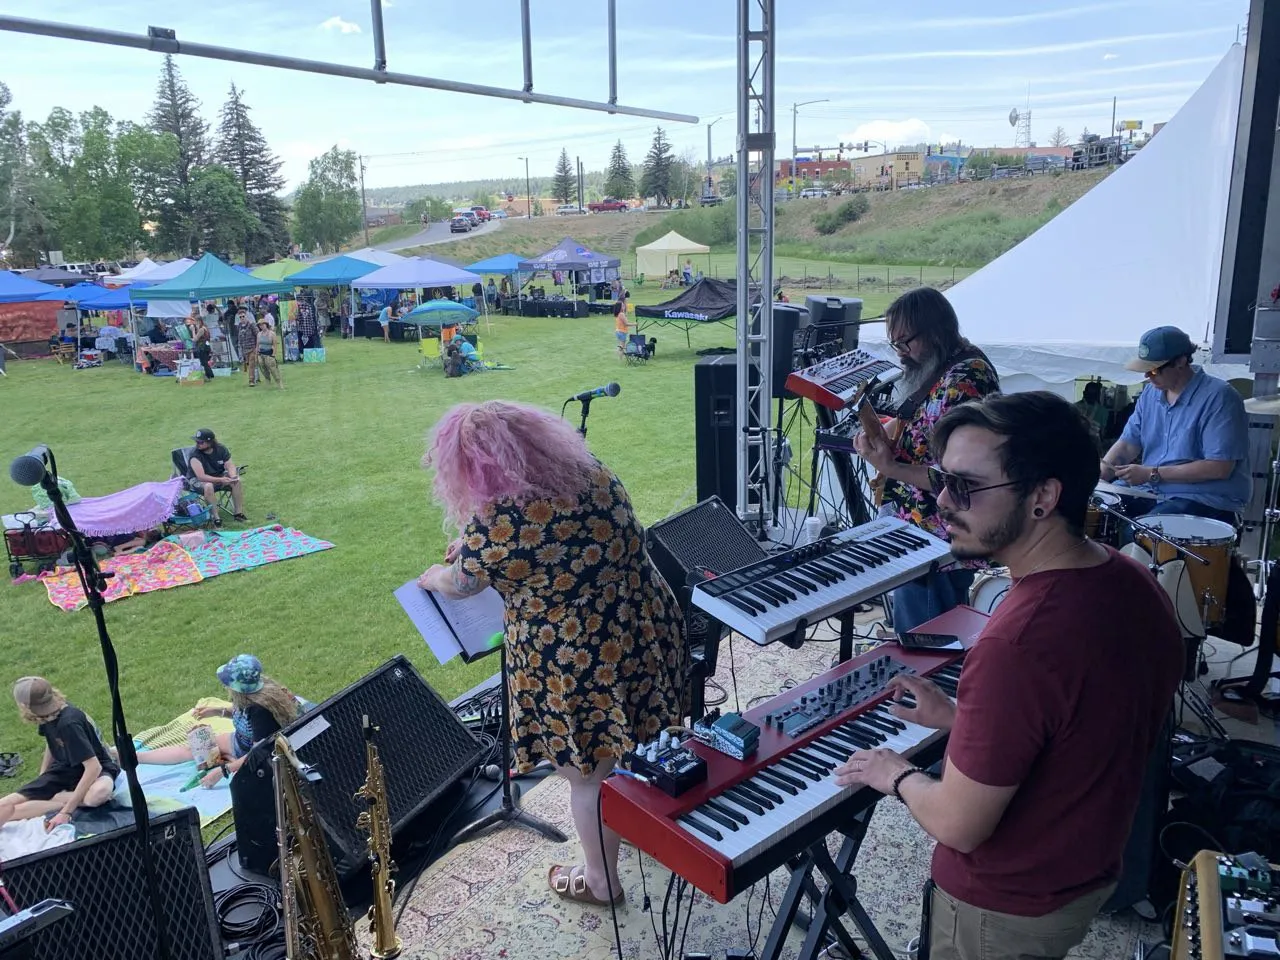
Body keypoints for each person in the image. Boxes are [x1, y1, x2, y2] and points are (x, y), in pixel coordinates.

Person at [835, 392, 1182, 960]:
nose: (942, 501)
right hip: (1083, 871)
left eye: (966, 486)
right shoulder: (1133, 582)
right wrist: (962, 718)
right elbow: (1079, 727)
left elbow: (958, 825)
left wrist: (892, 772)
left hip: (1003, 907)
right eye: (943, 480)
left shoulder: (1016, 644)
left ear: (1043, 496)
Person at [419, 402, 687, 907]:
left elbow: (462, 581)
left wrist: (436, 575)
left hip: (575, 660)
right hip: (644, 628)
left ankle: (600, 880)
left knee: (586, 775)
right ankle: (646, 825)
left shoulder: (496, 524)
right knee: (638, 740)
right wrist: (475, 543)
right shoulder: (591, 472)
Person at [853, 287, 1000, 631]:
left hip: (939, 541)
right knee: (917, 634)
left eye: (906, 342)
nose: (901, 353)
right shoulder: (940, 366)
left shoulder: (967, 380)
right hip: (917, 533)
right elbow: (928, 427)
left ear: (936, 332)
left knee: (929, 642)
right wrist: (886, 430)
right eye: (895, 344)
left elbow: (961, 479)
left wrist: (891, 468)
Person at [1101, 325, 1249, 529]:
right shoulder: (1150, 394)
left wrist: (1151, 473)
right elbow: (1128, 444)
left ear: (1181, 361)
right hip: (1151, 491)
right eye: (1145, 370)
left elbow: (1219, 467)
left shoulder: (1220, 397)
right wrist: (1101, 473)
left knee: (1142, 534)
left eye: (1154, 370)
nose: (1148, 377)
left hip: (1203, 498)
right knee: (1097, 512)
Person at [135, 655, 303, 789]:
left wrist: (223, 771)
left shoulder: (259, 712)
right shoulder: (255, 688)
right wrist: (218, 711)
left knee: (218, 763)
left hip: (258, 757)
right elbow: (241, 714)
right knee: (194, 749)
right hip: (241, 743)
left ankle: (229, 759)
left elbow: (258, 755)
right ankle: (135, 758)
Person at [0, 678, 120, 831]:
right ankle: (58, 799)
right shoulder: (47, 716)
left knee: (98, 794)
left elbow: (93, 767)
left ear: (25, 706)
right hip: (64, 769)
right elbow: (52, 743)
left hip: (98, 768)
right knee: (5, 804)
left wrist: (66, 812)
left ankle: (57, 800)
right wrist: (43, 776)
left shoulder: (69, 723)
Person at [189, 428, 247, 525]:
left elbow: (229, 464)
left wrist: (232, 476)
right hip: (197, 480)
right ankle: (216, 519)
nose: (197, 443)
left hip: (217, 475)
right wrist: (221, 480)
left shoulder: (220, 449)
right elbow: (201, 477)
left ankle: (238, 513)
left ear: (210, 442)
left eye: (200, 442)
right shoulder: (195, 455)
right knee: (208, 486)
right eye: (196, 441)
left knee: (237, 481)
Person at [1076, 380, 1109, 450]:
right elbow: (1102, 432)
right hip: (1093, 445)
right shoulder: (1103, 411)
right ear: (1098, 395)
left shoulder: (1074, 407)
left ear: (1084, 393)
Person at [256, 319, 284, 389]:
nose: (261, 326)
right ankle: (268, 381)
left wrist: (273, 354)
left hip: (269, 354)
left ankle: (279, 383)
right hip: (261, 354)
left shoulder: (272, 334)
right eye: (260, 325)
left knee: (273, 369)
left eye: (263, 324)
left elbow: (275, 345)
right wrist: (257, 353)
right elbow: (257, 345)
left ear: (266, 324)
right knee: (263, 369)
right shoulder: (259, 334)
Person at [235, 305, 259, 387]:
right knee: (250, 365)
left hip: (252, 348)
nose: (242, 318)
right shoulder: (239, 327)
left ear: (246, 316)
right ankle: (257, 377)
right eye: (240, 317)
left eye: (243, 316)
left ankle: (251, 380)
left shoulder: (251, 325)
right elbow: (239, 339)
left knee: (252, 365)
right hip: (244, 349)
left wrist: (257, 347)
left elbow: (258, 335)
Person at [191, 309, 214, 380]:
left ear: (198, 321)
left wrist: (193, 331)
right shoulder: (205, 327)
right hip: (206, 346)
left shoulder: (201, 329)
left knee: (204, 362)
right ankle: (210, 374)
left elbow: (195, 339)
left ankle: (209, 375)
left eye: (195, 321)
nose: (195, 324)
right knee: (205, 361)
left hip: (202, 347)